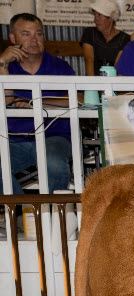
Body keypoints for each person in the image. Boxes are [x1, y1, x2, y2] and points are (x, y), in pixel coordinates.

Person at [0, 13, 74, 195]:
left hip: (55, 137)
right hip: (14, 139)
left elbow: (78, 98)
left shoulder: (60, 67)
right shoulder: (7, 67)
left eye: (39, 34)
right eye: (26, 34)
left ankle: (54, 219)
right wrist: (2, 63)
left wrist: (35, 102)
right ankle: (26, 214)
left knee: (53, 163)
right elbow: (6, 99)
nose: (34, 39)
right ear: (12, 38)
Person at [80, 0, 130, 76]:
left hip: (114, 84)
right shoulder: (89, 33)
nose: (95, 20)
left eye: (99, 15)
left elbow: (118, 66)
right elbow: (89, 59)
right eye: (95, 15)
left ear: (111, 18)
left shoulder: (125, 39)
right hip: (93, 83)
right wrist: (92, 86)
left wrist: (111, 87)